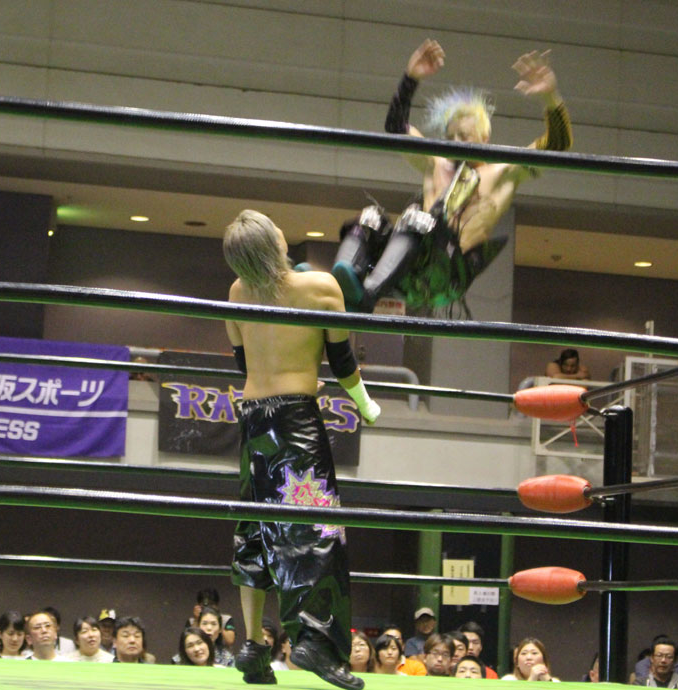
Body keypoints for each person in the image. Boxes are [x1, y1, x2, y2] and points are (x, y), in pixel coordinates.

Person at [223, 209, 380, 690]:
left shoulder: (236, 293)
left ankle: (253, 647)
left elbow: (245, 363)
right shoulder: (320, 288)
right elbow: (343, 362)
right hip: (295, 422)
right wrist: (366, 405)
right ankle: (314, 642)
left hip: (254, 420)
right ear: (273, 242)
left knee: (256, 528)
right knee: (317, 530)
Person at [332, 39, 572, 317]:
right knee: (370, 218)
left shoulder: (501, 173)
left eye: (464, 136)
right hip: (407, 269)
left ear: (485, 138)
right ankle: (339, 288)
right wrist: (410, 79)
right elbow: (396, 128)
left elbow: (556, 145)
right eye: (451, 137)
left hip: (445, 276)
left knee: (415, 219)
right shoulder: (435, 162)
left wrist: (550, 98)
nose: (456, 143)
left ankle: (367, 297)